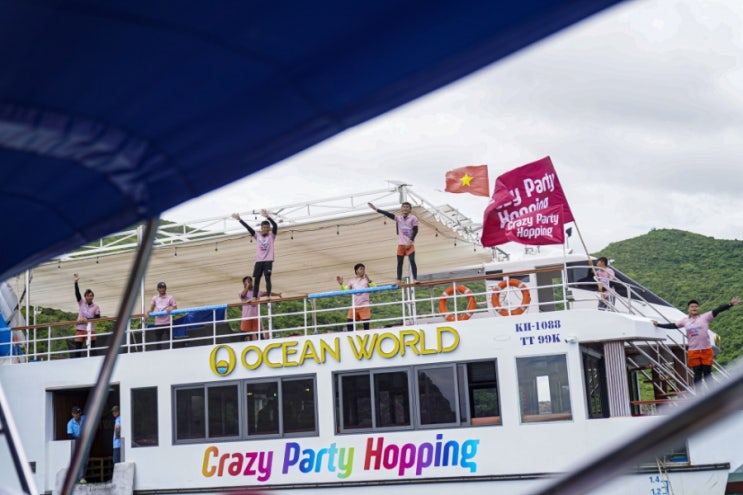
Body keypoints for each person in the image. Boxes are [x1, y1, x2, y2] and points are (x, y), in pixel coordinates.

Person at [653, 296, 740, 384]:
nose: (694, 308)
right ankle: (699, 392)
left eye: (696, 306)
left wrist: (730, 304)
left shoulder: (705, 317)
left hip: (706, 350)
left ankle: (712, 392)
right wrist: (659, 325)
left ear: (698, 308)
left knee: (707, 374)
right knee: (697, 374)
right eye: (692, 307)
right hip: (693, 351)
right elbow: (673, 326)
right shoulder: (685, 321)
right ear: (688, 309)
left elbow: (718, 310)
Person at [368, 201, 418, 284]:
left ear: (410, 209)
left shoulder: (413, 218)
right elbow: (388, 214)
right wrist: (376, 209)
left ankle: (415, 279)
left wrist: (410, 241)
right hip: (401, 244)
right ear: (401, 209)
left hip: (410, 244)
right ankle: (399, 280)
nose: (405, 208)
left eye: (407, 207)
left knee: (412, 260)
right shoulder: (399, 218)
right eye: (404, 207)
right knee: (400, 262)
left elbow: (416, 230)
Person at [233, 209, 278, 300]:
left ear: (269, 228)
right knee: (257, 279)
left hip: (268, 261)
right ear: (261, 228)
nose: (265, 229)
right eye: (264, 227)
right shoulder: (257, 235)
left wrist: (268, 217)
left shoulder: (271, 236)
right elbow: (248, 228)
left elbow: (275, 225)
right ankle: (254, 297)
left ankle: (268, 296)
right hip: (259, 261)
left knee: (267, 278)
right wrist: (240, 219)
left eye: (267, 227)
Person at [239, 276, 281, 341]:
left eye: (249, 282)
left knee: (260, 335)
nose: (249, 283)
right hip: (246, 317)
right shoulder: (241, 292)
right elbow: (243, 295)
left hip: (256, 317)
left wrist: (277, 294)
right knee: (242, 335)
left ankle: (263, 345)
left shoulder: (257, 292)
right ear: (244, 284)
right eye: (246, 282)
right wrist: (247, 286)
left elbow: (266, 293)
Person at [336, 263, 376, 331]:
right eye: (361, 269)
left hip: (364, 305)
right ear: (356, 271)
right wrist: (341, 284)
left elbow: (374, 288)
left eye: (364, 269)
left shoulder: (366, 280)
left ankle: (367, 336)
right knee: (349, 323)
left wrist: (369, 280)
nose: (363, 270)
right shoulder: (352, 281)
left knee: (366, 325)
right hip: (354, 306)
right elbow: (345, 290)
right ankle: (351, 336)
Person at [72, 273, 101, 358]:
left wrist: (87, 319)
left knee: (92, 349)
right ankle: (77, 362)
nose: (90, 297)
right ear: (85, 297)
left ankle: (95, 361)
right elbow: (77, 294)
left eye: (91, 296)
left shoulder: (96, 307)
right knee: (78, 349)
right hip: (80, 328)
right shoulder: (81, 303)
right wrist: (76, 282)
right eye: (88, 296)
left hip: (90, 329)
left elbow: (98, 318)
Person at [147, 282, 177, 349]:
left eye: (163, 288)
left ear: (165, 289)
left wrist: (171, 308)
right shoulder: (155, 298)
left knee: (171, 338)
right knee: (158, 339)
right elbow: (151, 309)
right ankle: (158, 352)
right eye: (160, 288)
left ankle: (174, 351)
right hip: (158, 322)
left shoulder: (170, 297)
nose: (162, 289)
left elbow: (175, 307)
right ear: (157, 289)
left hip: (168, 322)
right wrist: (148, 312)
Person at [67, 406, 88, 484]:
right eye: (75, 413)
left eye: (78, 413)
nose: (77, 415)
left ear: (80, 413)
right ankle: (80, 477)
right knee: (78, 459)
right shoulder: (70, 423)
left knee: (85, 460)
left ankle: (82, 476)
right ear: (72, 414)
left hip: (85, 440)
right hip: (76, 441)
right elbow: (69, 435)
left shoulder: (84, 418)